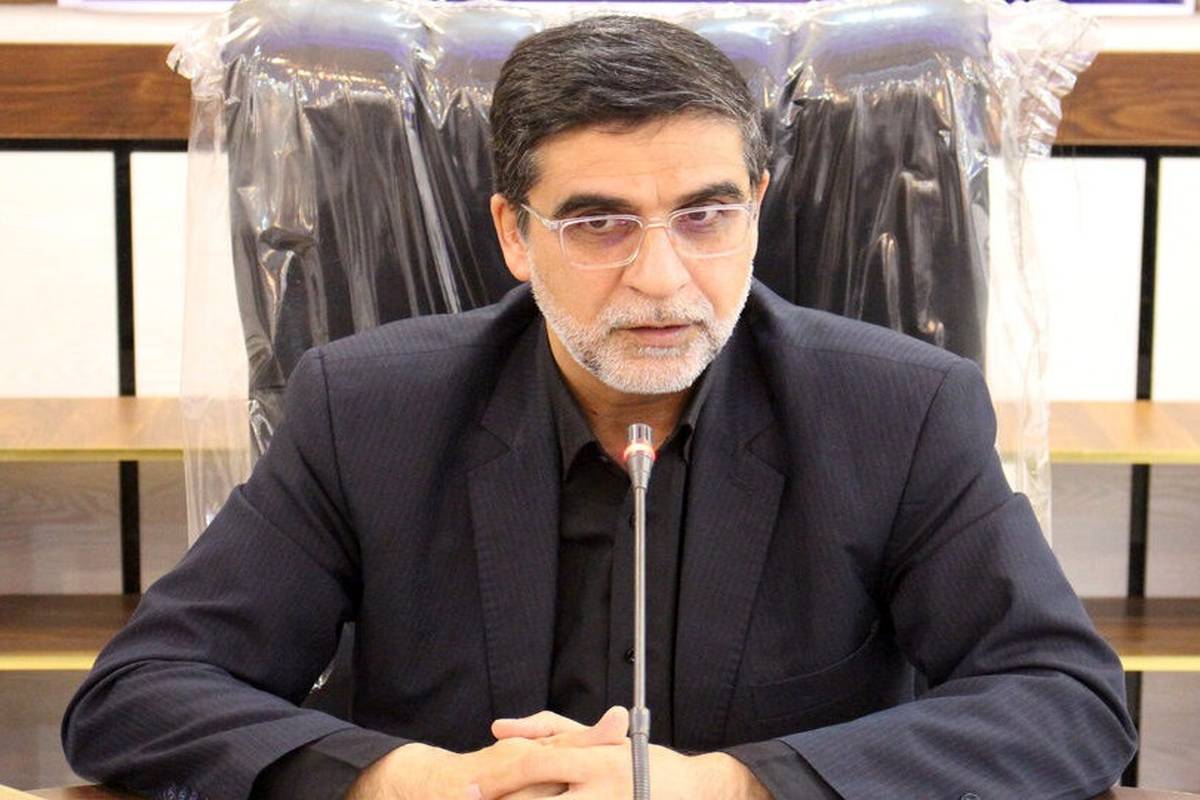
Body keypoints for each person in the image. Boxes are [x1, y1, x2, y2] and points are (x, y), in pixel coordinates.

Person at [63, 14, 1136, 800]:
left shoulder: (899, 411)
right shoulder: (367, 409)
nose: (662, 280)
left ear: (757, 208)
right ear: (513, 234)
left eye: (706, 215)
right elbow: (140, 692)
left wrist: (729, 785)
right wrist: (408, 777)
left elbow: (1067, 701)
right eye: (599, 224)